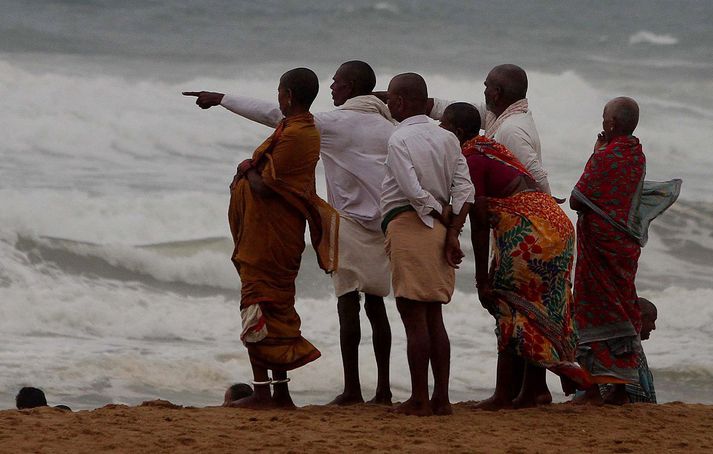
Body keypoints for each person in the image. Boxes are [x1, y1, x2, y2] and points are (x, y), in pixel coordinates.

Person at [184, 61, 395, 406]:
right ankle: (383, 390)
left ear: (352, 86)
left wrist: (222, 98)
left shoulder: (328, 124)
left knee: (348, 306)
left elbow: (276, 115)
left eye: (337, 83)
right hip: (385, 223)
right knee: (377, 306)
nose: (332, 88)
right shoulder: (391, 123)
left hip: (349, 223)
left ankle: (353, 390)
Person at [440, 103, 591, 410]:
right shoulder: (489, 148)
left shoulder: (470, 157)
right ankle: (534, 391)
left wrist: (483, 279)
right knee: (532, 307)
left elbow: (480, 221)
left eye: (443, 127)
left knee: (507, 302)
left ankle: (503, 394)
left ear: (456, 132)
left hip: (533, 229)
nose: (439, 133)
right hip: (554, 223)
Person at [381, 74, 475, 416]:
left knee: (412, 314)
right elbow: (465, 191)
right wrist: (452, 229)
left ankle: (419, 398)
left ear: (401, 103)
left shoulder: (399, 138)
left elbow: (412, 190)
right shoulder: (448, 138)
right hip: (439, 228)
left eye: (390, 98)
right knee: (433, 313)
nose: (388, 104)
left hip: (411, 224)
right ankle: (441, 399)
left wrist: (436, 211)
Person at [570, 97, 647, 405]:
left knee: (592, 309)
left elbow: (578, 198)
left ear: (612, 124)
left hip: (601, 247)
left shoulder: (606, 157)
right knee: (622, 307)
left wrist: (596, 154)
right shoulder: (637, 154)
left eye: (605, 119)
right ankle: (617, 388)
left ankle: (592, 388)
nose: (602, 123)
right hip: (624, 247)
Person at [425, 64, 551, 194]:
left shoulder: (512, 130)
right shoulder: (498, 115)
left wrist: (549, 203)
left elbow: (536, 176)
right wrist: (418, 103)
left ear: (497, 93)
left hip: (517, 210)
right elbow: (458, 111)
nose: (484, 91)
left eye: (486, 86)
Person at [600, 297, 657, 403]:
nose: (654, 327)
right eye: (652, 321)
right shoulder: (627, 346)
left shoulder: (617, 340)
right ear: (640, 319)